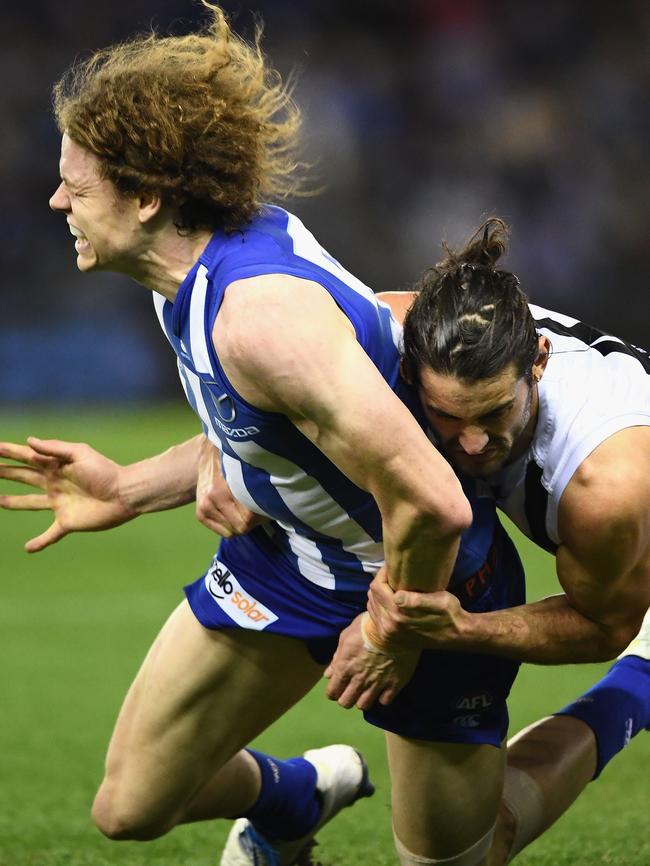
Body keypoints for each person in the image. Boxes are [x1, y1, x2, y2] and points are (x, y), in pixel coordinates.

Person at [0, 7, 531, 866]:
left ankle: (636, 682)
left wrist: (395, 627)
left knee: (457, 860)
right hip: (290, 557)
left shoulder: (257, 319)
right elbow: (270, 434)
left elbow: (434, 501)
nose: (58, 199)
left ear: (145, 198)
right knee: (129, 808)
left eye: (77, 184)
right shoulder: (176, 268)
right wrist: (132, 490)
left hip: (424, 581)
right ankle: (295, 800)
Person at [345, 217, 650, 863]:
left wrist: (460, 631)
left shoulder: (604, 482)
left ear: (537, 360)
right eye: (447, 417)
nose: (474, 443)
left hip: (629, 546)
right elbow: (272, 377)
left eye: (494, 413)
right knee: (470, 852)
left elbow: (603, 625)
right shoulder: (382, 333)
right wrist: (216, 459)